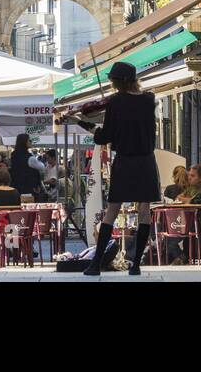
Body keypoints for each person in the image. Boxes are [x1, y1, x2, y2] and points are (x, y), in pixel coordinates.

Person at [76, 61, 159, 276]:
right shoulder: (149, 101)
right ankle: (136, 265)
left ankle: (95, 265)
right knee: (144, 211)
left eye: (112, 80)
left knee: (112, 211)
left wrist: (89, 126)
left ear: (118, 82)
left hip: (124, 161)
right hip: (146, 161)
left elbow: (106, 136)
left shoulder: (115, 102)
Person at [8, 133, 45, 200]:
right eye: (29, 140)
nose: (31, 142)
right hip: (29, 188)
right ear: (24, 142)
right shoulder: (30, 158)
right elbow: (42, 167)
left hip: (16, 187)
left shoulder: (14, 155)